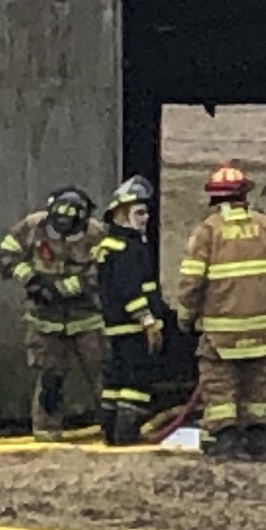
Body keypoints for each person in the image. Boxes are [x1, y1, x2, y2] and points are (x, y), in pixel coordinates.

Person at [170, 159, 266, 456]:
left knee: (220, 388)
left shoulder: (208, 232)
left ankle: (226, 441)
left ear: (214, 198)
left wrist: (185, 318)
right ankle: (257, 440)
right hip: (264, 331)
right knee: (257, 386)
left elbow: (191, 282)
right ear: (245, 195)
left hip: (221, 335)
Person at [0, 184, 104, 441]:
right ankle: (46, 436)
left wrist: (67, 288)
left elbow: (105, 270)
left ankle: (112, 429)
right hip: (45, 320)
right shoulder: (34, 225)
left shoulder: (97, 234)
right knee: (50, 381)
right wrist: (33, 282)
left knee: (103, 376)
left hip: (86, 319)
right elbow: (6, 253)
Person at [92, 175, 164, 447]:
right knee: (135, 383)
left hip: (115, 327)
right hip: (133, 328)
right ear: (122, 214)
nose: (145, 218)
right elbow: (131, 291)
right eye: (139, 213)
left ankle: (111, 434)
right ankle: (126, 436)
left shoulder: (109, 246)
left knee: (114, 382)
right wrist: (148, 321)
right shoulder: (128, 248)